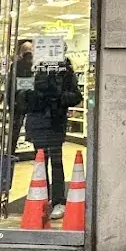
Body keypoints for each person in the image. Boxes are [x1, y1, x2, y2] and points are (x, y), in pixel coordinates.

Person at [25, 56, 82, 220]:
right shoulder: (34, 67)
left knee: (56, 162)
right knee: (40, 161)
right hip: (38, 120)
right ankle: (42, 198)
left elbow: (75, 96)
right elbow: (21, 93)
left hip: (55, 121)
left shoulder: (64, 69)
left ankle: (58, 200)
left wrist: (58, 98)